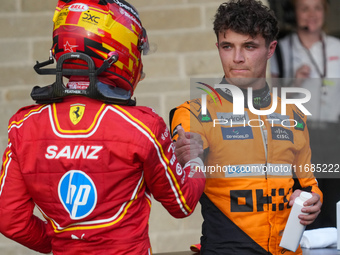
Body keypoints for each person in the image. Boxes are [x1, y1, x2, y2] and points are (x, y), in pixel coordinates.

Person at [0, 1, 205, 254]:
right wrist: (194, 161)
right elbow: (182, 204)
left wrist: (62, 244)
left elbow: (11, 221)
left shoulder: (23, 125)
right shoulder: (142, 126)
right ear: (120, 49)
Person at [169, 0, 323, 254]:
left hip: (288, 249)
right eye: (228, 46)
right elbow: (186, 166)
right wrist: (185, 157)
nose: (237, 58)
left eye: (249, 46)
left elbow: (308, 183)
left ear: (271, 48)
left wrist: (313, 200)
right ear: (218, 47)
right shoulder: (194, 113)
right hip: (228, 248)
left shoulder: (294, 114)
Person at [271, 0, 340, 230]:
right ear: (294, 14)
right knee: (305, 201)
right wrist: (294, 83)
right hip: (299, 134)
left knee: (333, 201)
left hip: (333, 134)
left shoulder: (336, 47)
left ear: (325, 13)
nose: (312, 14)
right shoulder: (280, 49)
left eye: (317, 8)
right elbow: (269, 99)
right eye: (304, 8)